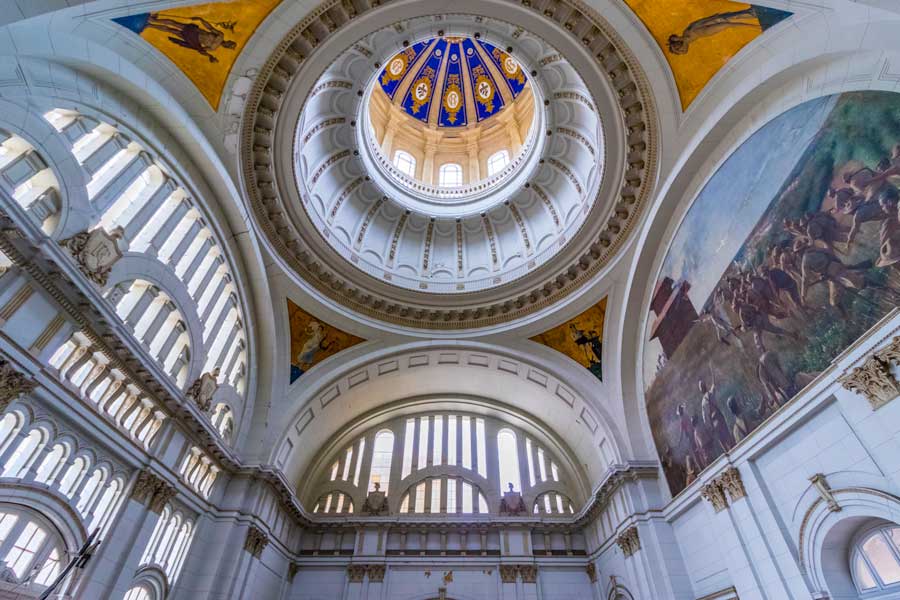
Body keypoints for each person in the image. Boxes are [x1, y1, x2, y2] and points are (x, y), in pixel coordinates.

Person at [667, 7, 786, 55]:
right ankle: (753, 15)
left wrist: (754, 28)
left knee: (734, 19)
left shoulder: (692, 33)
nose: (681, 50)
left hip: (717, 21)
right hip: (716, 22)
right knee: (735, 18)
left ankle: (754, 16)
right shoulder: (688, 34)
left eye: (678, 49)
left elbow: (727, 23)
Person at [143, 13, 237, 62]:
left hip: (193, 39)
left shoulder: (213, 48)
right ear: (229, 41)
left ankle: (150, 25)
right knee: (174, 23)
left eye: (229, 46)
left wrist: (209, 56)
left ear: (226, 47)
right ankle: (153, 20)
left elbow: (201, 50)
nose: (228, 45)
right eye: (230, 44)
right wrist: (201, 20)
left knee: (171, 30)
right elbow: (210, 28)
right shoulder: (220, 36)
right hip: (194, 31)